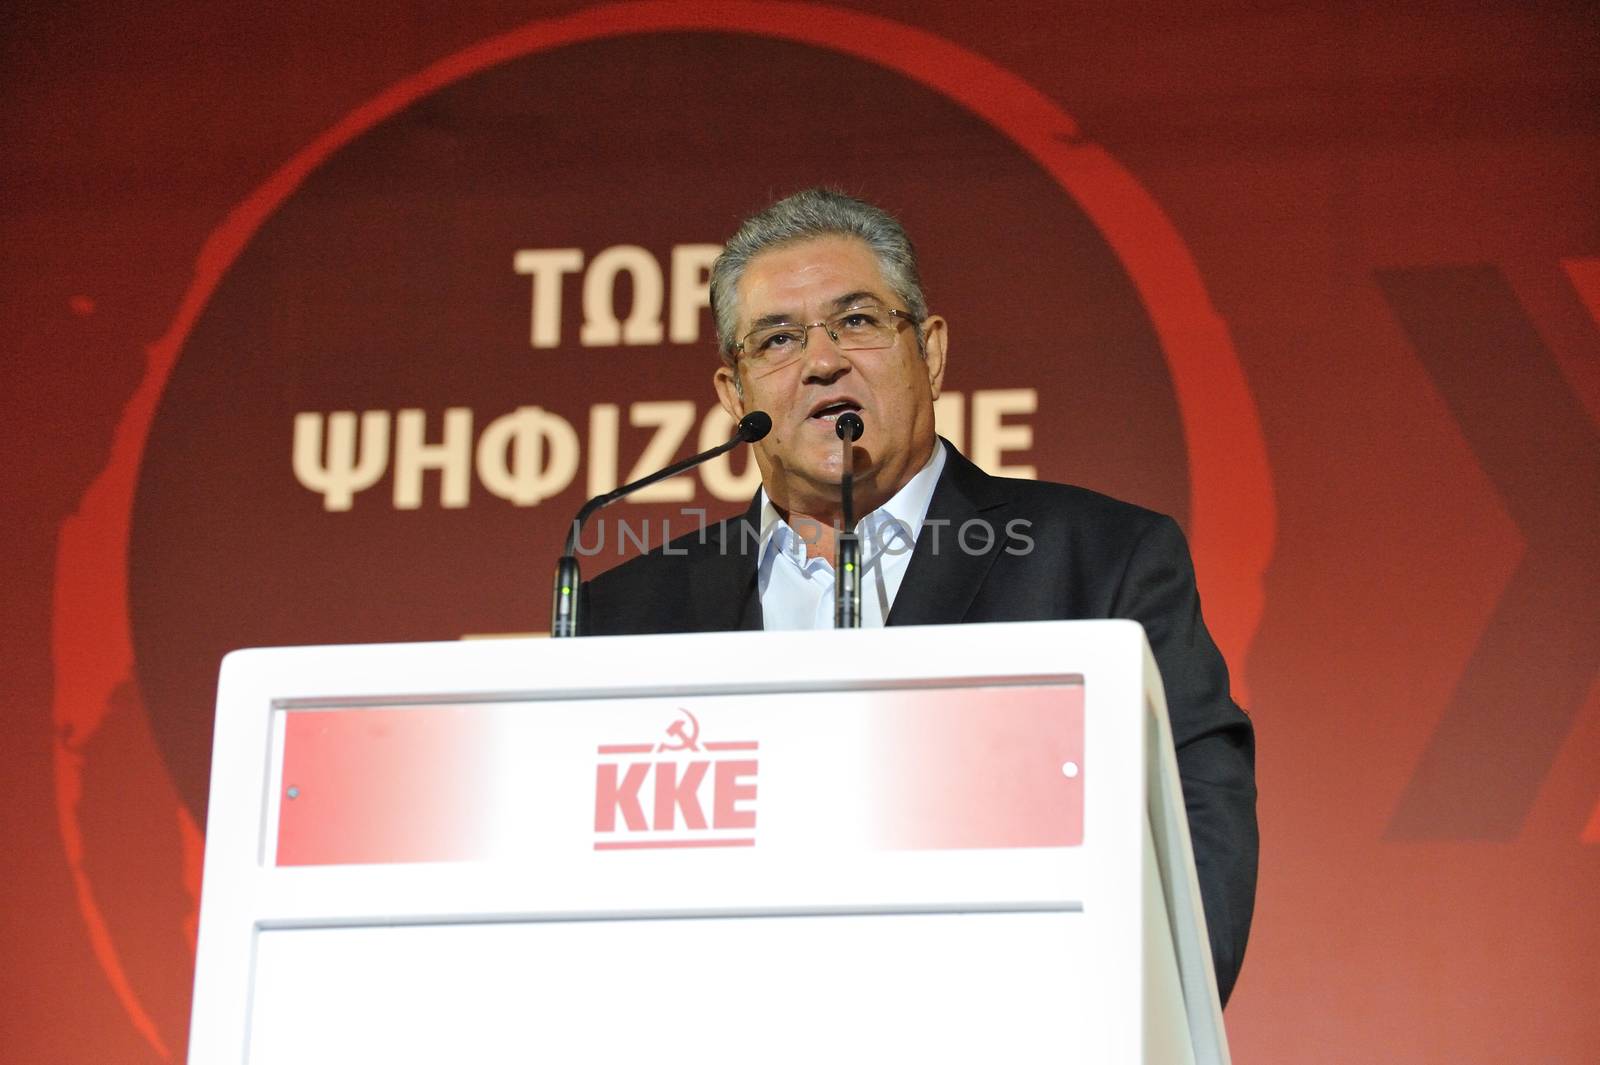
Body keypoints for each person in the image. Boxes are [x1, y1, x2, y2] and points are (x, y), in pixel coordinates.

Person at [582, 188, 1257, 1004]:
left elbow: (1195, 832)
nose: (822, 361)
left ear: (930, 353)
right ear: (735, 396)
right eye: (779, 339)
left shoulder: (1099, 561)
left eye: (858, 321)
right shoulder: (624, 617)